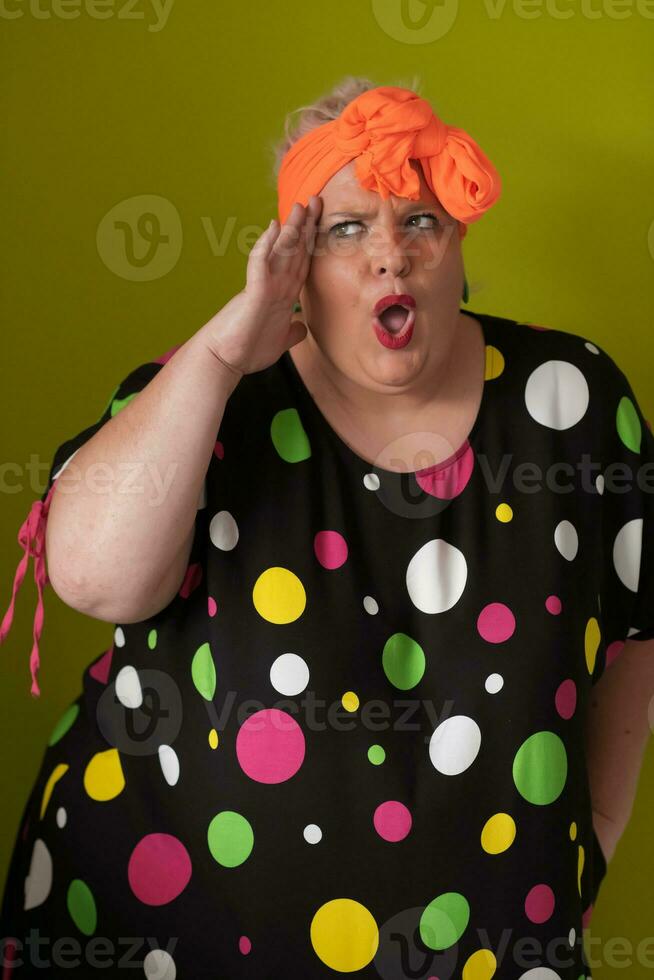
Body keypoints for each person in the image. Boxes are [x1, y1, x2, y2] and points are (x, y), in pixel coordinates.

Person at [1, 75, 653, 979]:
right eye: (345, 229)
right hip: (168, 931)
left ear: (460, 242)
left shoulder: (570, 401)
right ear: (293, 261)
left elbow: (633, 632)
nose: (390, 254)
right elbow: (94, 580)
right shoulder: (205, 397)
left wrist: (597, 837)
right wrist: (225, 353)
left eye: (420, 222)